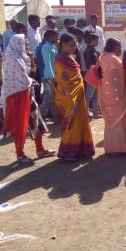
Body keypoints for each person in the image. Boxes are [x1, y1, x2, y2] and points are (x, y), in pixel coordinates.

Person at [2, 34, 54, 163]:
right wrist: (30, 80)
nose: (27, 46)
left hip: (27, 95)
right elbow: (25, 80)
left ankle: (40, 150)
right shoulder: (13, 59)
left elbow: (31, 74)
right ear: (17, 44)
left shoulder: (22, 58)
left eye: (27, 44)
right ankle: (20, 154)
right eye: (24, 44)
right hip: (17, 97)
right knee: (21, 125)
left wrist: (31, 60)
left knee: (37, 121)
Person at [54, 33, 95, 161]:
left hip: (79, 97)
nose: (74, 47)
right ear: (63, 45)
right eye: (71, 45)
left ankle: (81, 151)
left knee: (81, 123)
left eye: (75, 44)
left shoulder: (70, 58)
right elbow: (63, 82)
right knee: (73, 125)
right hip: (70, 99)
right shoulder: (60, 60)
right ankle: (68, 153)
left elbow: (76, 78)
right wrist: (72, 95)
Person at [95, 38, 126, 154]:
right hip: (116, 95)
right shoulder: (114, 59)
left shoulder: (101, 57)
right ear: (115, 48)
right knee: (119, 121)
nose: (121, 50)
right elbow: (119, 78)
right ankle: (120, 149)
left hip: (105, 94)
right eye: (120, 47)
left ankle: (111, 149)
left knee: (109, 122)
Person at [39, 30, 59, 123]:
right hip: (49, 76)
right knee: (49, 98)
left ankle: (56, 118)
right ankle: (38, 115)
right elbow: (47, 62)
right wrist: (52, 76)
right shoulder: (46, 47)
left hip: (54, 74)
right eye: (55, 36)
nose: (57, 38)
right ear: (50, 37)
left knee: (53, 98)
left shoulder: (53, 46)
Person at [83, 33, 100, 119]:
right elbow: (90, 65)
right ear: (91, 41)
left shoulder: (93, 50)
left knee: (95, 96)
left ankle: (96, 114)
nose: (98, 42)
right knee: (88, 97)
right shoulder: (88, 51)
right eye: (96, 40)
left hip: (95, 76)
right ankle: (86, 113)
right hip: (92, 76)